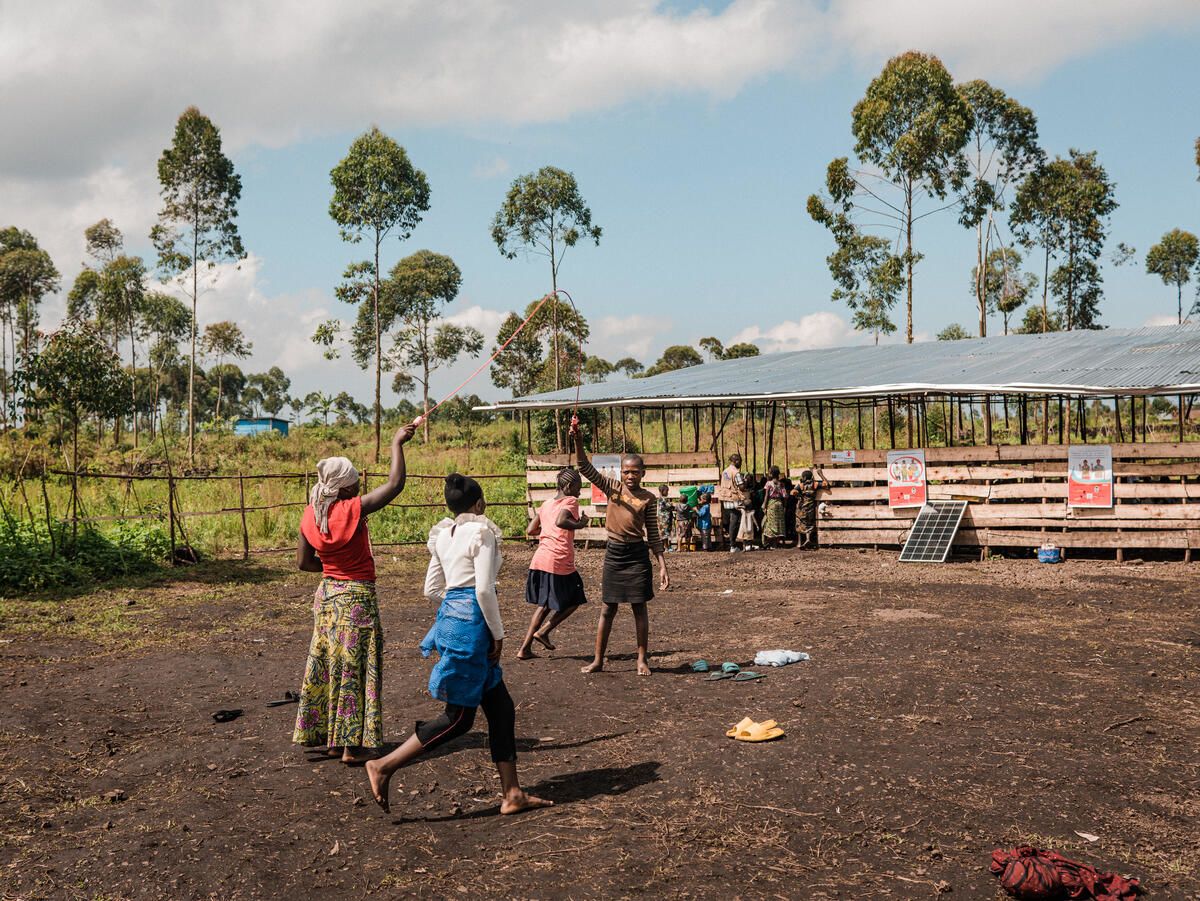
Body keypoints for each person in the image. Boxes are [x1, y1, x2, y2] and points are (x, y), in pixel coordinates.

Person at [364, 474, 551, 816]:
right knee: (459, 718)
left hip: (450, 616)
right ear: (479, 504)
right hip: (473, 624)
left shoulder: (444, 534)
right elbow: (482, 589)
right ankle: (384, 765)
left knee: (501, 708)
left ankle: (512, 793)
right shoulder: (482, 532)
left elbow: (431, 588)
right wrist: (497, 633)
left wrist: (455, 605)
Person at [293, 423, 417, 764]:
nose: (360, 484)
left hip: (328, 597)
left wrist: (333, 570)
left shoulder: (311, 515)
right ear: (347, 488)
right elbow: (395, 484)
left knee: (329, 665)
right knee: (354, 670)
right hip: (356, 600)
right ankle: (351, 747)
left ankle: (332, 740)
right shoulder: (352, 509)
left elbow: (304, 563)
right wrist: (396, 443)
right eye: (356, 482)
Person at [571, 421, 669, 676]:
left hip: (637, 556)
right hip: (614, 555)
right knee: (607, 608)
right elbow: (584, 467)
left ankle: (641, 660)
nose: (630, 476)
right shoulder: (612, 488)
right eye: (626, 472)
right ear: (621, 472)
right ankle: (598, 660)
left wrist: (662, 566)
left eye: (635, 472)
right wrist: (578, 440)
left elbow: (654, 533)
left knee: (639, 608)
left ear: (643, 473)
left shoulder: (649, 498)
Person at [517, 467, 590, 659]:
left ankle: (524, 648)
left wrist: (547, 528)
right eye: (578, 487)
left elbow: (531, 529)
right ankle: (544, 631)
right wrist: (580, 525)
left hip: (540, 559)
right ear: (568, 486)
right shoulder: (571, 501)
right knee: (575, 599)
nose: (579, 492)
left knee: (544, 605)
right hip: (558, 559)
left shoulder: (547, 503)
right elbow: (561, 521)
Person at [715, 453, 748, 552]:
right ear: (736, 461)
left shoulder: (725, 471)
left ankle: (732, 544)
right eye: (740, 462)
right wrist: (745, 481)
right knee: (734, 522)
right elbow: (741, 487)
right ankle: (733, 545)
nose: (740, 464)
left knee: (730, 522)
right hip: (733, 499)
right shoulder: (736, 473)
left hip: (725, 499)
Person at [797, 469, 831, 549]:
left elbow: (793, 491)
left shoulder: (801, 485)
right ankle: (808, 539)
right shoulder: (814, 484)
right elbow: (827, 484)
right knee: (809, 523)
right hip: (811, 507)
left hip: (802, 507)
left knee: (800, 522)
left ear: (804, 477)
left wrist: (798, 494)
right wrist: (820, 474)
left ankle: (800, 542)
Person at [761, 466, 788, 548]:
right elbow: (785, 496)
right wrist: (785, 507)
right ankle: (776, 543)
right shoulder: (781, 484)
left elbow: (766, 496)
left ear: (771, 474)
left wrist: (764, 505)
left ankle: (771, 543)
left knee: (770, 523)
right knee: (778, 523)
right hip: (779, 504)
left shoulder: (768, 483)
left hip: (771, 504)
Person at [657, 484, 676, 551]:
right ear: (662, 491)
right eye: (666, 491)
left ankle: (664, 547)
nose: (667, 492)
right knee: (664, 533)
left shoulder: (660, 499)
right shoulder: (663, 499)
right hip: (664, 519)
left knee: (664, 533)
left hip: (663, 519)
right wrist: (673, 506)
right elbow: (668, 507)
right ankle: (666, 547)